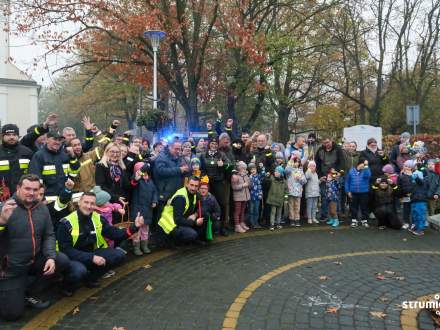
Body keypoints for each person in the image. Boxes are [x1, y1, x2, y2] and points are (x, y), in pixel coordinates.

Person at [0, 174, 71, 320]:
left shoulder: (41, 208)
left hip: (34, 259)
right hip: (11, 268)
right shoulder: (5, 208)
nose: (31, 193)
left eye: (35, 189)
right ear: (18, 188)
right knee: (12, 315)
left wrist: (50, 257)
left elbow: (49, 234)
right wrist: (1, 222)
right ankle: (13, 291)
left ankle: (28, 292)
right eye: (27, 188)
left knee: (61, 260)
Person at [57, 192, 144, 288]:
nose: (89, 206)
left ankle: (90, 278)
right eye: (86, 202)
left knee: (119, 255)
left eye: (92, 203)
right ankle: (66, 286)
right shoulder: (66, 223)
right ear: (79, 203)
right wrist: (91, 258)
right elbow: (66, 250)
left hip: (91, 252)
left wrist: (134, 227)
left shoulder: (98, 218)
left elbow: (115, 234)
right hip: (72, 257)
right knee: (79, 271)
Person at [29, 131, 81, 201]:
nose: (57, 142)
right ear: (47, 140)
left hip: (65, 197)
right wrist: (41, 198)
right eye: (55, 139)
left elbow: (74, 173)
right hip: (48, 199)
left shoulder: (65, 155)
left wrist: (73, 156)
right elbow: (36, 180)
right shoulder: (39, 156)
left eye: (59, 140)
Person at [158, 176, 204, 244]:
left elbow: (203, 207)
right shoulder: (181, 198)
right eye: (191, 185)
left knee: (205, 215)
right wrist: (194, 223)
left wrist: (195, 215)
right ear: (187, 184)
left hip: (180, 219)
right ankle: (172, 241)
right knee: (192, 234)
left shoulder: (195, 194)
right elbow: (178, 220)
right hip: (170, 224)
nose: (193, 188)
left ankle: (196, 238)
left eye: (196, 186)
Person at [200, 137, 232, 236]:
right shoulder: (203, 155)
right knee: (207, 205)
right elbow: (201, 168)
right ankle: (209, 228)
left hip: (219, 183)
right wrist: (203, 178)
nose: (214, 145)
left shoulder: (221, 154)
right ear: (209, 144)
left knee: (222, 204)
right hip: (208, 183)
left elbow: (230, 165)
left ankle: (223, 226)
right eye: (212, 143)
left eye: (215, 144)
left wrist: (223, 164)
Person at [153, 139, 187, 217]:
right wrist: (179, 170)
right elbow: (160, 171)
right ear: (170, 147)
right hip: (164, 192)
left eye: (180, 149)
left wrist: (185, 169)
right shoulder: (162, 156)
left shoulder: (178, 157)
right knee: (161, 216)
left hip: (174, 192)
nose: (178, 151)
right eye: (176, 149)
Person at [130, 162, 158, 255]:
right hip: (137, 210)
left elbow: (154, 191)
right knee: (137, 229)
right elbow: (133, 182)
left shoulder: (150, 180)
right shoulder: (137, 180)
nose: (145, 172)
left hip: (148, 209)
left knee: (145, 229)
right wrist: (136, 177)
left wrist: (154, 200)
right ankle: (136, 247)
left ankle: (144, 245)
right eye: (143, 170)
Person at [0, 124, 34, 199]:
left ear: (18, 136)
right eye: (8, 135)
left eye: (14, 134)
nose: (11, 137)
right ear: (2, 136)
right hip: (2, 196)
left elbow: (33, 174)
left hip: (23, 196)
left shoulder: (27, 152)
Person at [315, 136, 344, 221]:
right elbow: (317, 164)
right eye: (324, 143)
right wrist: (320, 176)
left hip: (335, 176)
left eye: (328, 142)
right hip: (324, 176)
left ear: (331, 141)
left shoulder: (338, 149)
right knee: (324, 196)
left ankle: (337, 214)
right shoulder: (320, 150)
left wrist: (339, 172)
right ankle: (324, 214)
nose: (326, 144)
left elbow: (342, 161)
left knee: (336, 196)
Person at [345, 160, 371, 228]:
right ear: (359, 164)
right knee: (353, 207)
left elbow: (368, 175)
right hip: (353, 193)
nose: (364, 166)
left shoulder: (366, 170)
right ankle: (354, 220)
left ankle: (364, 220)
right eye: (363, 164)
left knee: (364, 207)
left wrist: (366, 166)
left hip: (364, 192)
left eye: (364, 165)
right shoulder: (351, 171)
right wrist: (348, 191)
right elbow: (347, 182)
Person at [285, 155, 306, 227]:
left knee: (297, 206)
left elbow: (304, 181)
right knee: (291, 206)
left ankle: (297, 219)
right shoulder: (290, 170)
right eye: (295, 162)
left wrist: (300, 178)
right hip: (291, 191)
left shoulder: (300, 170)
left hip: (298, 191)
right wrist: (291, 160)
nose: (296, 163)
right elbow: (286, 170)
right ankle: (292, 219)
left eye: (298, 162)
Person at [231, 161, 251, 233]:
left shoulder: (245, 175)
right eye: (243, 168)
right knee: (237, 211)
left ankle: (241, 223)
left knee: (242, 211)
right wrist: (243, 185)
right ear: (239, 168)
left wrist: (248, 180)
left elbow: (249, 184)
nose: (244, 170)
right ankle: (237, 225)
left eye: (245, 168)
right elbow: (234, 187)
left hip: (245, 196)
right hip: (238, 197)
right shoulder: (235, 176)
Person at [266, 166, 287, 231]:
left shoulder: (284, 181)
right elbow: (266, 183)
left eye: (277, 172)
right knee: (273, 212)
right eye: (275, 171)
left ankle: (278, 223)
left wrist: (286, 199)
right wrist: (267, 177)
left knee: (279, 213)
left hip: (280, 199)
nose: (276, 172)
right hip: (273, 198)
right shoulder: (271, 178)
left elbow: (286, 191)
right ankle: (272, 224)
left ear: (281, 173)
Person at [397, 160, 415, 229]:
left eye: (408, 166)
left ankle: (414, 222)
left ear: (411, 168)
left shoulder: (414, 175)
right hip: (405, 196)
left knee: (414, 209)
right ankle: (406, 222)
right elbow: (399, 187)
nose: (406, 167)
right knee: (406, 209)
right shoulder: (401, 176)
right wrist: (400, 196)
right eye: (405, 166)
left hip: (414, 196)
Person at [248, 163, 264, 229]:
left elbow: (263, 173)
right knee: (251, 210)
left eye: (254, 169)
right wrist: (250, 178)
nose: (253, 170)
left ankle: (256, 223)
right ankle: (251, 223)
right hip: (251, 196)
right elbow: (249, 186)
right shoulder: (249, 177)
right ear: (250, 170)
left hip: (258, 196)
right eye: (251, 169)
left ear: (256, 169)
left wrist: (262, 167)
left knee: (256, 210)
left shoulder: (258, 176)